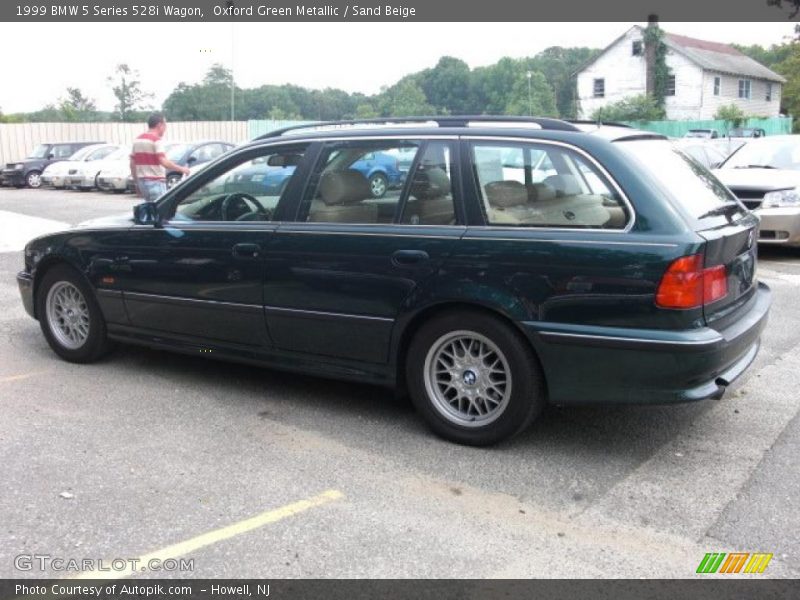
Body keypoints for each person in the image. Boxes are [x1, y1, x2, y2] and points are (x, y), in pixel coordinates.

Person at [130, 112, 190, 202]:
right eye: (165, 125)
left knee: (150, 208)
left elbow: (132, 164)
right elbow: (163, 161)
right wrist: (182, 169)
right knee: (161, 208)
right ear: (159, 125)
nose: (165, 128)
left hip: (142, 183)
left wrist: (136, 182)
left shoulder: (137, 140)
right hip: (155, 182)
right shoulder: (156, 140)